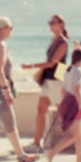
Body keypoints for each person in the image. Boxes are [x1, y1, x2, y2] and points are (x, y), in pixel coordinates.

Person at [0, 16, 39, 162]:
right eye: (10, 27)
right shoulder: (0, 45)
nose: (12, 30)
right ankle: (21, 156)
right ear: (2, 29)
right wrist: (6, 90)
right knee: (10, 124)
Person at [21, 14, 69, 153]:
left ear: (61, 24)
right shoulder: (54, 40)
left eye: (53, 23)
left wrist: (31, 66)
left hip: (56, 80)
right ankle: (36, 144)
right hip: (48, 80)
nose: (50, 25)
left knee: (64, 111)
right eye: (50, 22)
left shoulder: (63, 42)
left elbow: (53, 63)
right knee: (41, 110)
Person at [46, 48, 81, 162]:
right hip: (76, 103)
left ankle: (80, 160)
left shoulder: (68, 70)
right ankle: (52, 153)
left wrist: (64, 104)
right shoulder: (79, 71)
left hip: (68, 101)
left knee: (80, 134)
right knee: (76, 135)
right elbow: (77, 89)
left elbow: (63, 89)